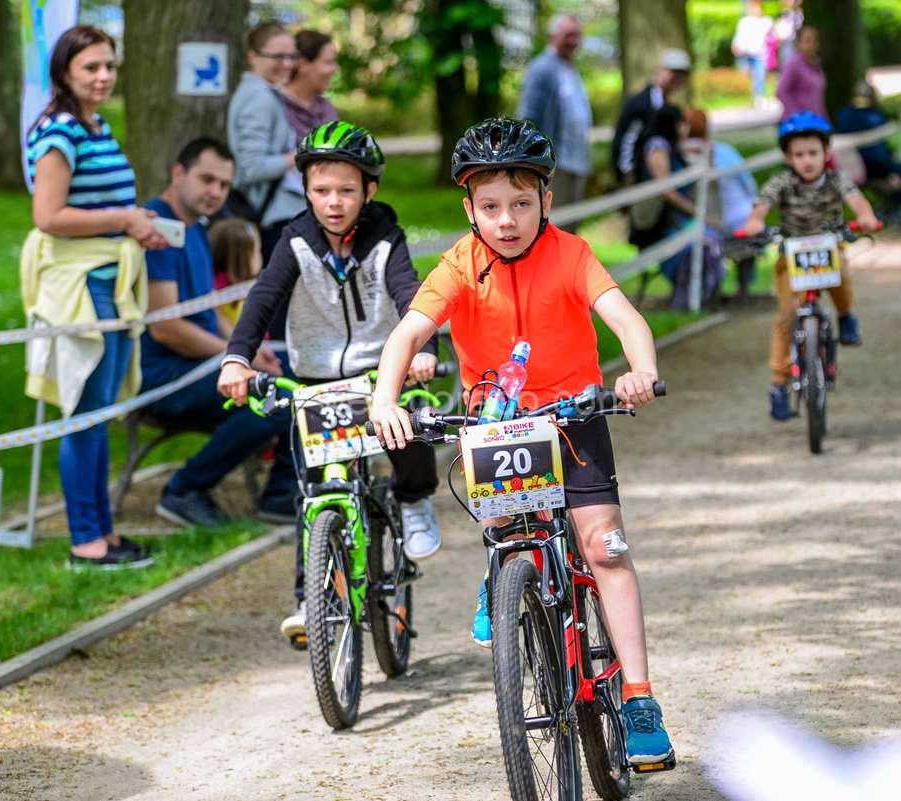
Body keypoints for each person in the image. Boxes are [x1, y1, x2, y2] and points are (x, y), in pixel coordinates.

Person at [367, 117, 676, 766]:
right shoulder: (459, 263)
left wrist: (639, 370)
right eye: (490, 207)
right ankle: (502, 575)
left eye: (521, 204)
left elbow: (625, 318)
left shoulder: (572, 254)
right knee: (510, 533)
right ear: (469, 210)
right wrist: (384, 400)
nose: (506, 220)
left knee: (605, 546)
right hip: (496, 422)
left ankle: (639, 697)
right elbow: (408, 333)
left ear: (546, 202)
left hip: (574, 415)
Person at [217, 121, 443, 645]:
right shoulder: (294, 240)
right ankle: (310, 599)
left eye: (346, 190)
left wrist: (423, 350)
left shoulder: (386, 238)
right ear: (306, 190)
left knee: (408, 426)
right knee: (315, 492)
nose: (333, 202)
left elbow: (409, 294)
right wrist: (236, 359)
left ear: (370, 190)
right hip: (315, 379)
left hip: (380, 371)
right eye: (321, 190)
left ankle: (414, 499)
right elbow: (263, 298)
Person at [22, 25, 163, 571]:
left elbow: (97, 208)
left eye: (109, 66)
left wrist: (134, 224)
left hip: (109, 278)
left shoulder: (95, 125)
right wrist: (124, 220)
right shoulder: (59, 132)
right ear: (65, 72)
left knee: (101, 413)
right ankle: (86, 541)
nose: (103, 76)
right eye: (91, 67)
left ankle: (103, 533)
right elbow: (48, 217)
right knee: (84, 414)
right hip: (80, 286)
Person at [139, 138, 297, 528]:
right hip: (165, 376)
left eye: (224, 184)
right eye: (206, 179)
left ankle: (282, 494)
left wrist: (246, 350)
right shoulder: (157, 229)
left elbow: (209, 307)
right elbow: (166, 328)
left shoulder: (196, 228)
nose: (215, 192)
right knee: (274, 395)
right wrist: (235, 359)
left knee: (305, 371)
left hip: (202, 364)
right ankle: (184, 490)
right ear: (178, 173)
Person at [741, 112, 880, 421]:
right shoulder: (782, 181)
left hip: (828, 247)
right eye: (799, 154)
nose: (807, 160)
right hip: (792, 253)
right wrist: (755, 222)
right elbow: (762, 205)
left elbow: (856, 200)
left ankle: (846, 315)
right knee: (787, 316)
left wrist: (865, 216)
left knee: (841, 275)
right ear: (788, 157)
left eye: (813, 153)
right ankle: (779, 385)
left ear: (826, 153)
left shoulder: (836, 179)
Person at [227, 21, 304, 263]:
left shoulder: (265, 93)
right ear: (253, 57)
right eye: (278, 57)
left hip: (277, 217)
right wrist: (300, 156)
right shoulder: (258, 98)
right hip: (272, 221)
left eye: (292, 56)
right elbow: (251, 167)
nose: (287, 64)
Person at [679, 107, 759, 301]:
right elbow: (749, 185)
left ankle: (711, 290)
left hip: (709, 223)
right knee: (748, 233)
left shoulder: (680, 154)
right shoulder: (724, 151)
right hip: (743, 219)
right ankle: (743, 288)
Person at [516, 14, 592, 207]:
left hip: (576, 161)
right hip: (555, 163)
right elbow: (528, 116)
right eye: (568, 35)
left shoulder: (569, 67)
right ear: (553, 36)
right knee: (555, 218)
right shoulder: (542, 68)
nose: (574, 41)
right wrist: (538, 159)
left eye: (577, 35)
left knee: (573, 220)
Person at [630, 105, 699, 309]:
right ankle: (684, 301)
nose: (685, 128)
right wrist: (694, 211)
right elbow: (665, 190)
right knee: (694, 245)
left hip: (675, 219)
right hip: (660, 224)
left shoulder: (669, 146)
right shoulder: (658, 146)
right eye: (682, 123)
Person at [835, 80, 901, 223]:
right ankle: (890, 211)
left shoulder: (860, 113)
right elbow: (867, 152)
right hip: (864, 167)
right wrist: (888, 172)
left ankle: (890, 210)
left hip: (876, 165)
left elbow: (881, 147)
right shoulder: (857, 115)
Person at [610, 48, 691, 184]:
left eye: (682, 74)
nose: (678, 78)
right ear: (660, 70)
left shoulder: (666, 105)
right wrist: (627, 175)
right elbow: (627, 141)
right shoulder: (642, 104)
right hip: (639, 179)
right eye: (674, 72)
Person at [279, 30, 341, 143]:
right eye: (329, 62)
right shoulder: (275, 107)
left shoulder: (327, 109)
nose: (335, 69)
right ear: (303, 65)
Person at [209, 218, 262, 329]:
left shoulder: (211, 281)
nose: (260, 257)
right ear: (243, 258)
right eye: (257, 251)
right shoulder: (223, 289)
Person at [776, 25, 827, 120]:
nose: (812, 44)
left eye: (815, 41)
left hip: (816, 121)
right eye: (808, 41)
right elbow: (781, 92)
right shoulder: (793, 64)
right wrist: (798, 114)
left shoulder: (816, 65)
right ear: (799, 43)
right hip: (798, 123)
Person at [732, 0, 773, 108]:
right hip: (747, 54)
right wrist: (736, 46)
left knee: (760, 76)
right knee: (749, 76)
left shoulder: (766, 21)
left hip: (760, 54)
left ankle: (758, 97)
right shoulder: (744, 22)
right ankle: (752, 97)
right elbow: (739, 37)